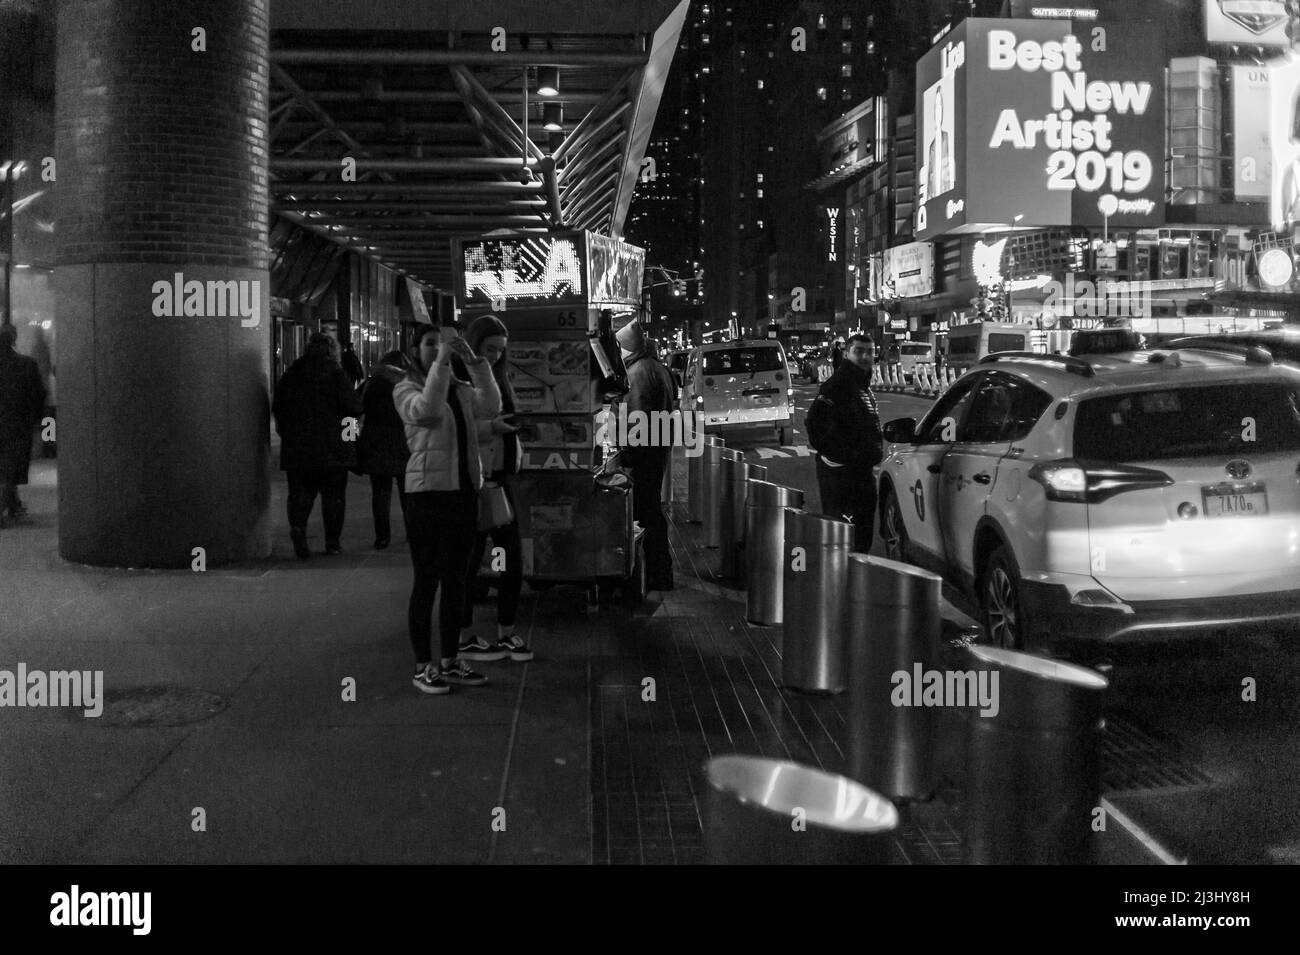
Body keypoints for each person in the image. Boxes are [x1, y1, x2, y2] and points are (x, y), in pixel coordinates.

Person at [394, 325, 507, 695]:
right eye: (429, 344)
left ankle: (450, 659)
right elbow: (425, 412)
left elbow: (491, 406)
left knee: (457, 582)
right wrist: (444, 359)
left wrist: (475, 364)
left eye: (440, 344)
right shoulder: (405, 388)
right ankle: (423, 665)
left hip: (462, 495)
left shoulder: (457, 388)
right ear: (416, 350)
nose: (436, 349)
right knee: (427, 581)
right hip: (427, 496)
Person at [458, 314, 531, 662]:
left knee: (510, 559)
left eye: (501, 351)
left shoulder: (498, 376)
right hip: (475, 481)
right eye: (489, 349)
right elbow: (459, 427)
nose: (496, 357)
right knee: (468, 561)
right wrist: (493, 429)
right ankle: (463, 635)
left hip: (499, 478)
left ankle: (507, 631)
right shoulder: (462, 377)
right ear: (474, 345)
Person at [272, 332, 361, 558]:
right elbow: (353, 407)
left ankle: (298, 528)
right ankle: (332, 543)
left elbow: (278, 406)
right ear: (333, 351)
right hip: (332, 448)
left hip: (298, 448)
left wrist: (286, 431)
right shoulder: (336, 374)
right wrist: (351, 439)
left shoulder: (292, 374)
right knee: (334, 497)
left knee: (300, 494)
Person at [804, 334, 884, 555]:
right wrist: (846, 457)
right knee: (845, 540)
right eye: (859, 351)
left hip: (861, 475)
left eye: (870, 351)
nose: (865, 356)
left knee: (860, 537)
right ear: (847, 353)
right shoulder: (838, 385)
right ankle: (842, 585)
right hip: (843, 479)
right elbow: (815, 426)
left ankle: (855, 583)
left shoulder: (861, 384)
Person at [616, 319, 677, 591]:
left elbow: (637, 417)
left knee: (647, 511)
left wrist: (628, 453)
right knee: (652, 509)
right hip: (658, 447)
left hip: (646, 453)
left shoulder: (638, 373)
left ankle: (656, 573)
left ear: (627, 348)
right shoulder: (658, 368)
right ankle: (659, 571)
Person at [357, 349, 414, 549]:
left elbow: (355, 409)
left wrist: (349, 437)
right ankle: (412, 533)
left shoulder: (371, 384)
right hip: (405, 443)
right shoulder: (409, 385)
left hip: (376, 444)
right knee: (409, 494)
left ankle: (382, 537)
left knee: (380, 494)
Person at [0, 323, 47, 526]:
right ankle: (9, 501)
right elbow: (38, 394)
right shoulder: (26, 365)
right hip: (17, 424)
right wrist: (35, 419)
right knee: (11, 465)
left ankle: (11, 502)